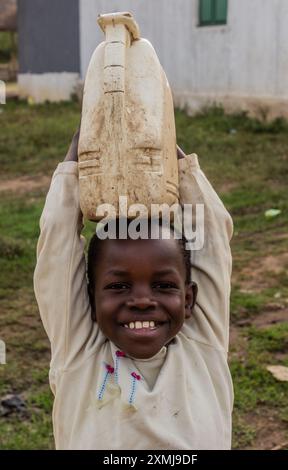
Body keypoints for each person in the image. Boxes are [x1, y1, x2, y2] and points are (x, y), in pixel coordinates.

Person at [33, 129, 234, 450]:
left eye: (163, 285)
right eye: (119, 286)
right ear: (88, 299)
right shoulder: (80, 353)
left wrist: (168, 146)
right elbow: (57, 250)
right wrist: (78, 154)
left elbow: (211, 235)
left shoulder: (202, 345)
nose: (142, 300)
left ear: (189, 299)